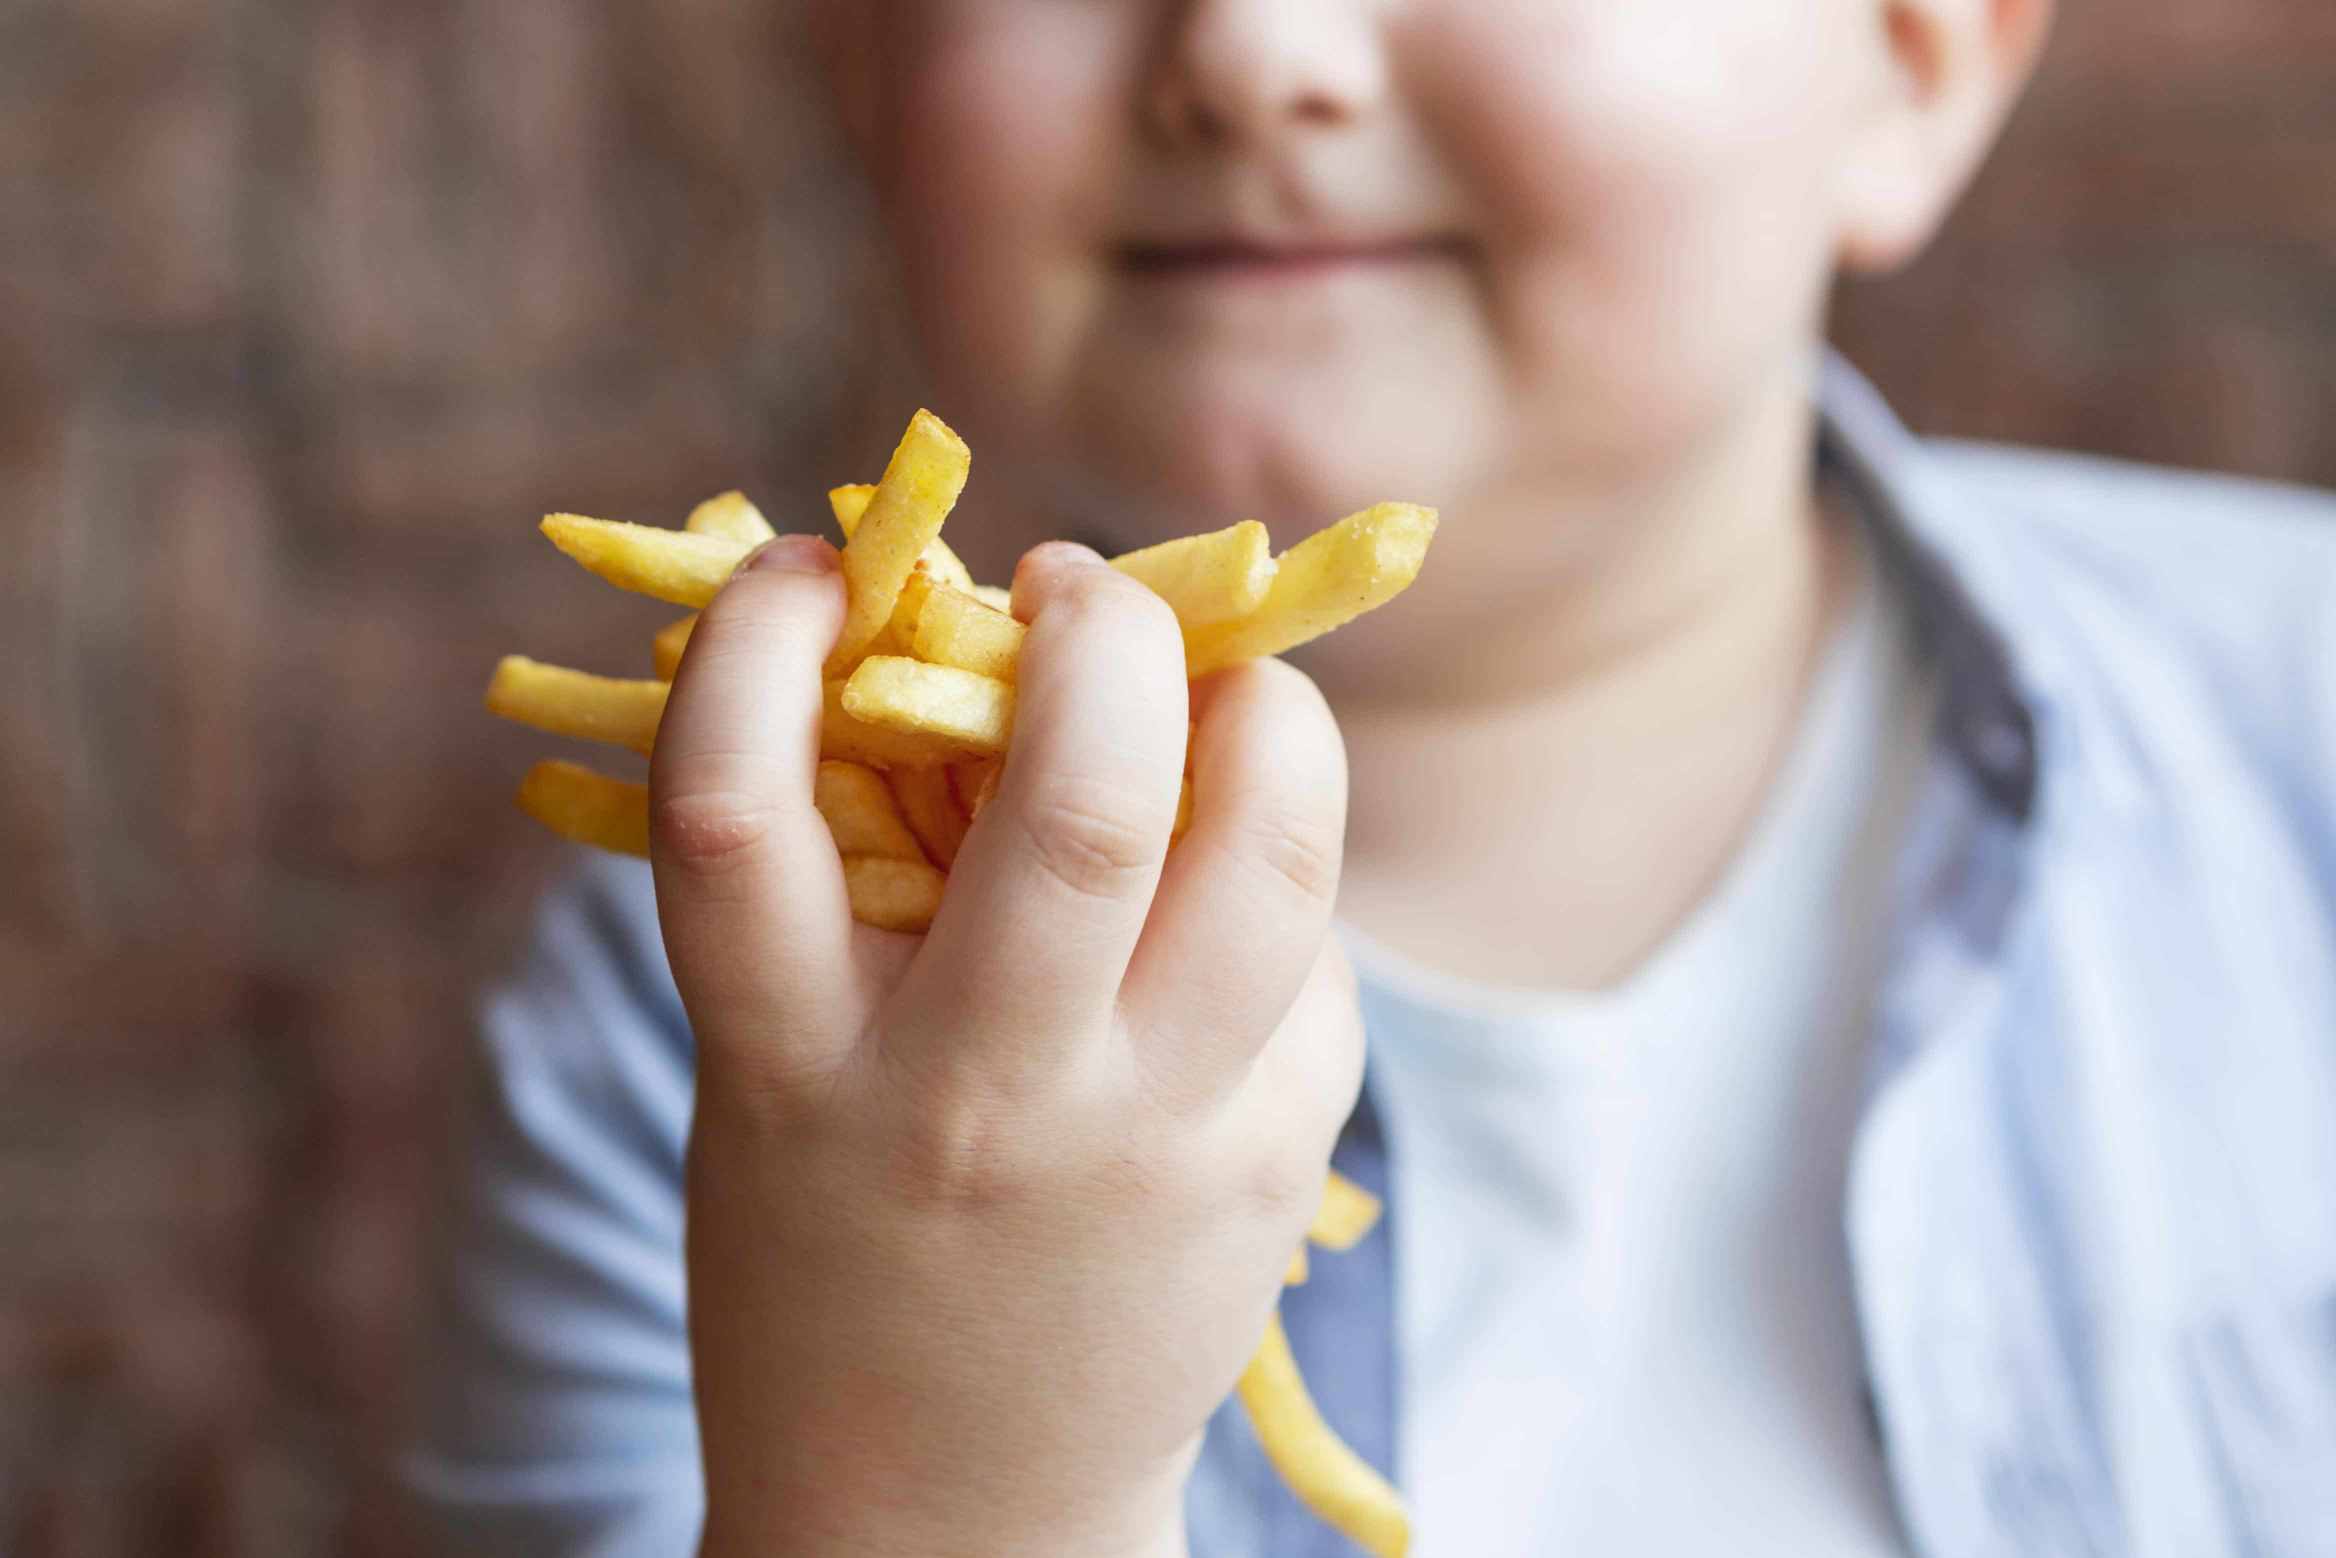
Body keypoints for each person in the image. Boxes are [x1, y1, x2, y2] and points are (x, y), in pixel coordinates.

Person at [404, 1, 2336, 1553]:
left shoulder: (2294, 727)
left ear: (1914, 60)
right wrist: (938, 1492)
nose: (1255, 44)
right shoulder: (689, 1029)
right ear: (859, 54)